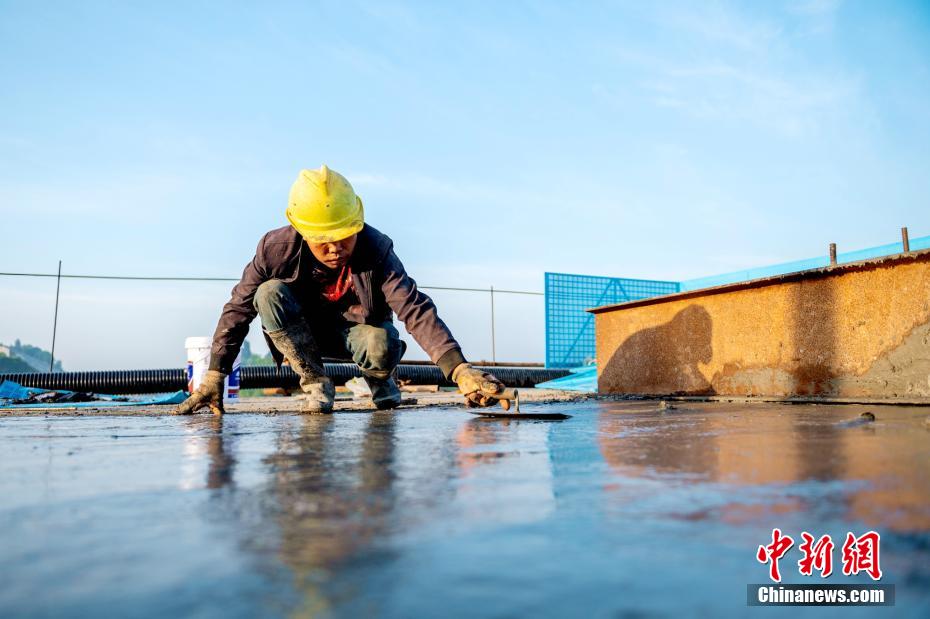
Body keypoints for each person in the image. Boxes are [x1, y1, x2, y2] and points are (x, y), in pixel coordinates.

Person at [176, 165, 509, 414]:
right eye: (323, 240)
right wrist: (215, 374)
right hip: (301, 336)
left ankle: (380, 381)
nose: (335, 247)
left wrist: (460, 369)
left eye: (344, 236)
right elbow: (239, 309)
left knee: (380, 341)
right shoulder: (274, 249)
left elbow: (413, 307)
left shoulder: (376, 248)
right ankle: (316, 385)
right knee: (267, 294)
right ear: (302, 230)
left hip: (358, 334)